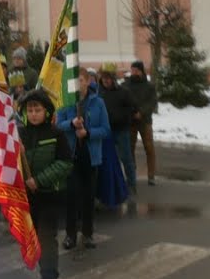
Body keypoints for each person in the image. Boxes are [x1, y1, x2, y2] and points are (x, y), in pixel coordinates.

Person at [17, 89, 73, 279]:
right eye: (29, 110)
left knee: (46, 240)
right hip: (28, 198)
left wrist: (39, 181)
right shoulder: (20, 134)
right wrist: (16, 152)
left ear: (46, 111)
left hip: (50, 196)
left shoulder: (56, 134)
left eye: (37, 110)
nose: (33, 114)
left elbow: (65, 164)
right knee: (35, 242)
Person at [55, 68, 109, 250]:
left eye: (81, 80)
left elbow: (106, 129)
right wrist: (71, 124)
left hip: (90, 156)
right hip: (71, 156)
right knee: (71, 196)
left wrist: (89, 133)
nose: (78, 84)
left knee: (88, 196)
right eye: (75, 81)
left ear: (88, 81)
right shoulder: (66, 103)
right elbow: (58, 126)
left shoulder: (98, 103)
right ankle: (70, 234)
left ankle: (87, 233)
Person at [96, 66, 137, 199]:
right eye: (103, 78)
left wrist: (124, 117)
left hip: (121, 130)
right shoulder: (99, 92)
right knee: (109, 159)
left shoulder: (123, 92)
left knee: (126, 157)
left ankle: (131, 184)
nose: (106, 81)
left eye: (108, 78)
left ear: (113, 79)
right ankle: (113, 185)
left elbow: (132, 108)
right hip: (105, 131)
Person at [121, 61, 158, 187]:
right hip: (130, 121)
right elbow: (123, 101)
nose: (134, 73)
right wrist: (130, 113)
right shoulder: (126, 85)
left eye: (136, 70)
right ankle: (131, 174)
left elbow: (152, 102)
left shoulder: (149, 86)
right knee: (129, 148)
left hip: (145, 121)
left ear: (142, 71)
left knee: (149, 148)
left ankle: (151, 175)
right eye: (133, 70)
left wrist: (141, 112)